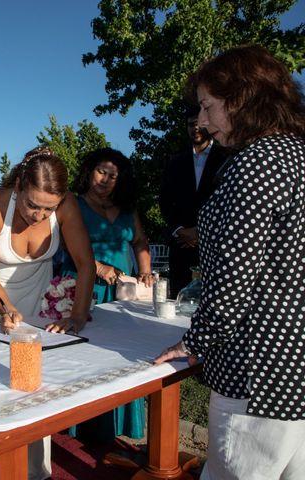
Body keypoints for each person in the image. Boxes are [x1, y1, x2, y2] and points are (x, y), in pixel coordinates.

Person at [155, 45, 305, 479]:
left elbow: (234, 281)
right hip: (291, 372)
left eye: (207, 106)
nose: (201, 120)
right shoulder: (295, 155)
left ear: (242, 98)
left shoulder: (256, 163)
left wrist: (194, 343)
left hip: (257, 373)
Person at [0, 147, 95, 480]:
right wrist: (6, 310)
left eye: (48, 208)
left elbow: (85, 264)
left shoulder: (65, 205)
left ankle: (33, 466)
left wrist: (77, 315)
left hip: (39, 293)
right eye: (32, 204)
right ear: (18, 186)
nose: (38, 214)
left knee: (32, 382)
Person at [61, 147, 152, 444]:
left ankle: (119, 423)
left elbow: (140, 241)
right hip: (88, 286)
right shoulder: (73, 203)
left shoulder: (128, 208)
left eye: (113, 176)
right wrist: (98, 268)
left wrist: (145, 272)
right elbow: (65, 243)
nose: (105, 179)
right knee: (90, 355)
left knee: (122, 356)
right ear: (89, 172)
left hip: (123, 290)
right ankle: (84, 424)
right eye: (101, 172)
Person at [159, 106, 227, 297]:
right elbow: (165, 201)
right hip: (180, 246)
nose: (195, 128)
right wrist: (179, 230)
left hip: (214, 246)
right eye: (190, 125)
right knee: (178, 301)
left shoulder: (226, 158)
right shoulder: (174, 160)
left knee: (214, 300)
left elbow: (228, 201)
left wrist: (201, 231)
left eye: (199, 124)